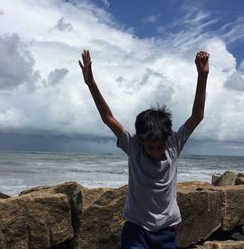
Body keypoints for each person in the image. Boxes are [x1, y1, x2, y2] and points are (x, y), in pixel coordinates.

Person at [79, 49, 209, 249]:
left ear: (168, 138)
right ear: (140, 141)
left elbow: (197, 116)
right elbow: (108, 118)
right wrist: (91, 84)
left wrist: (203, 76)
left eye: (160, 146)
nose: (156, 151)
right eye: (150, 147)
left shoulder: (173, 144)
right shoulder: (134, 147)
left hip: (166, 231)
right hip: (136, 230)